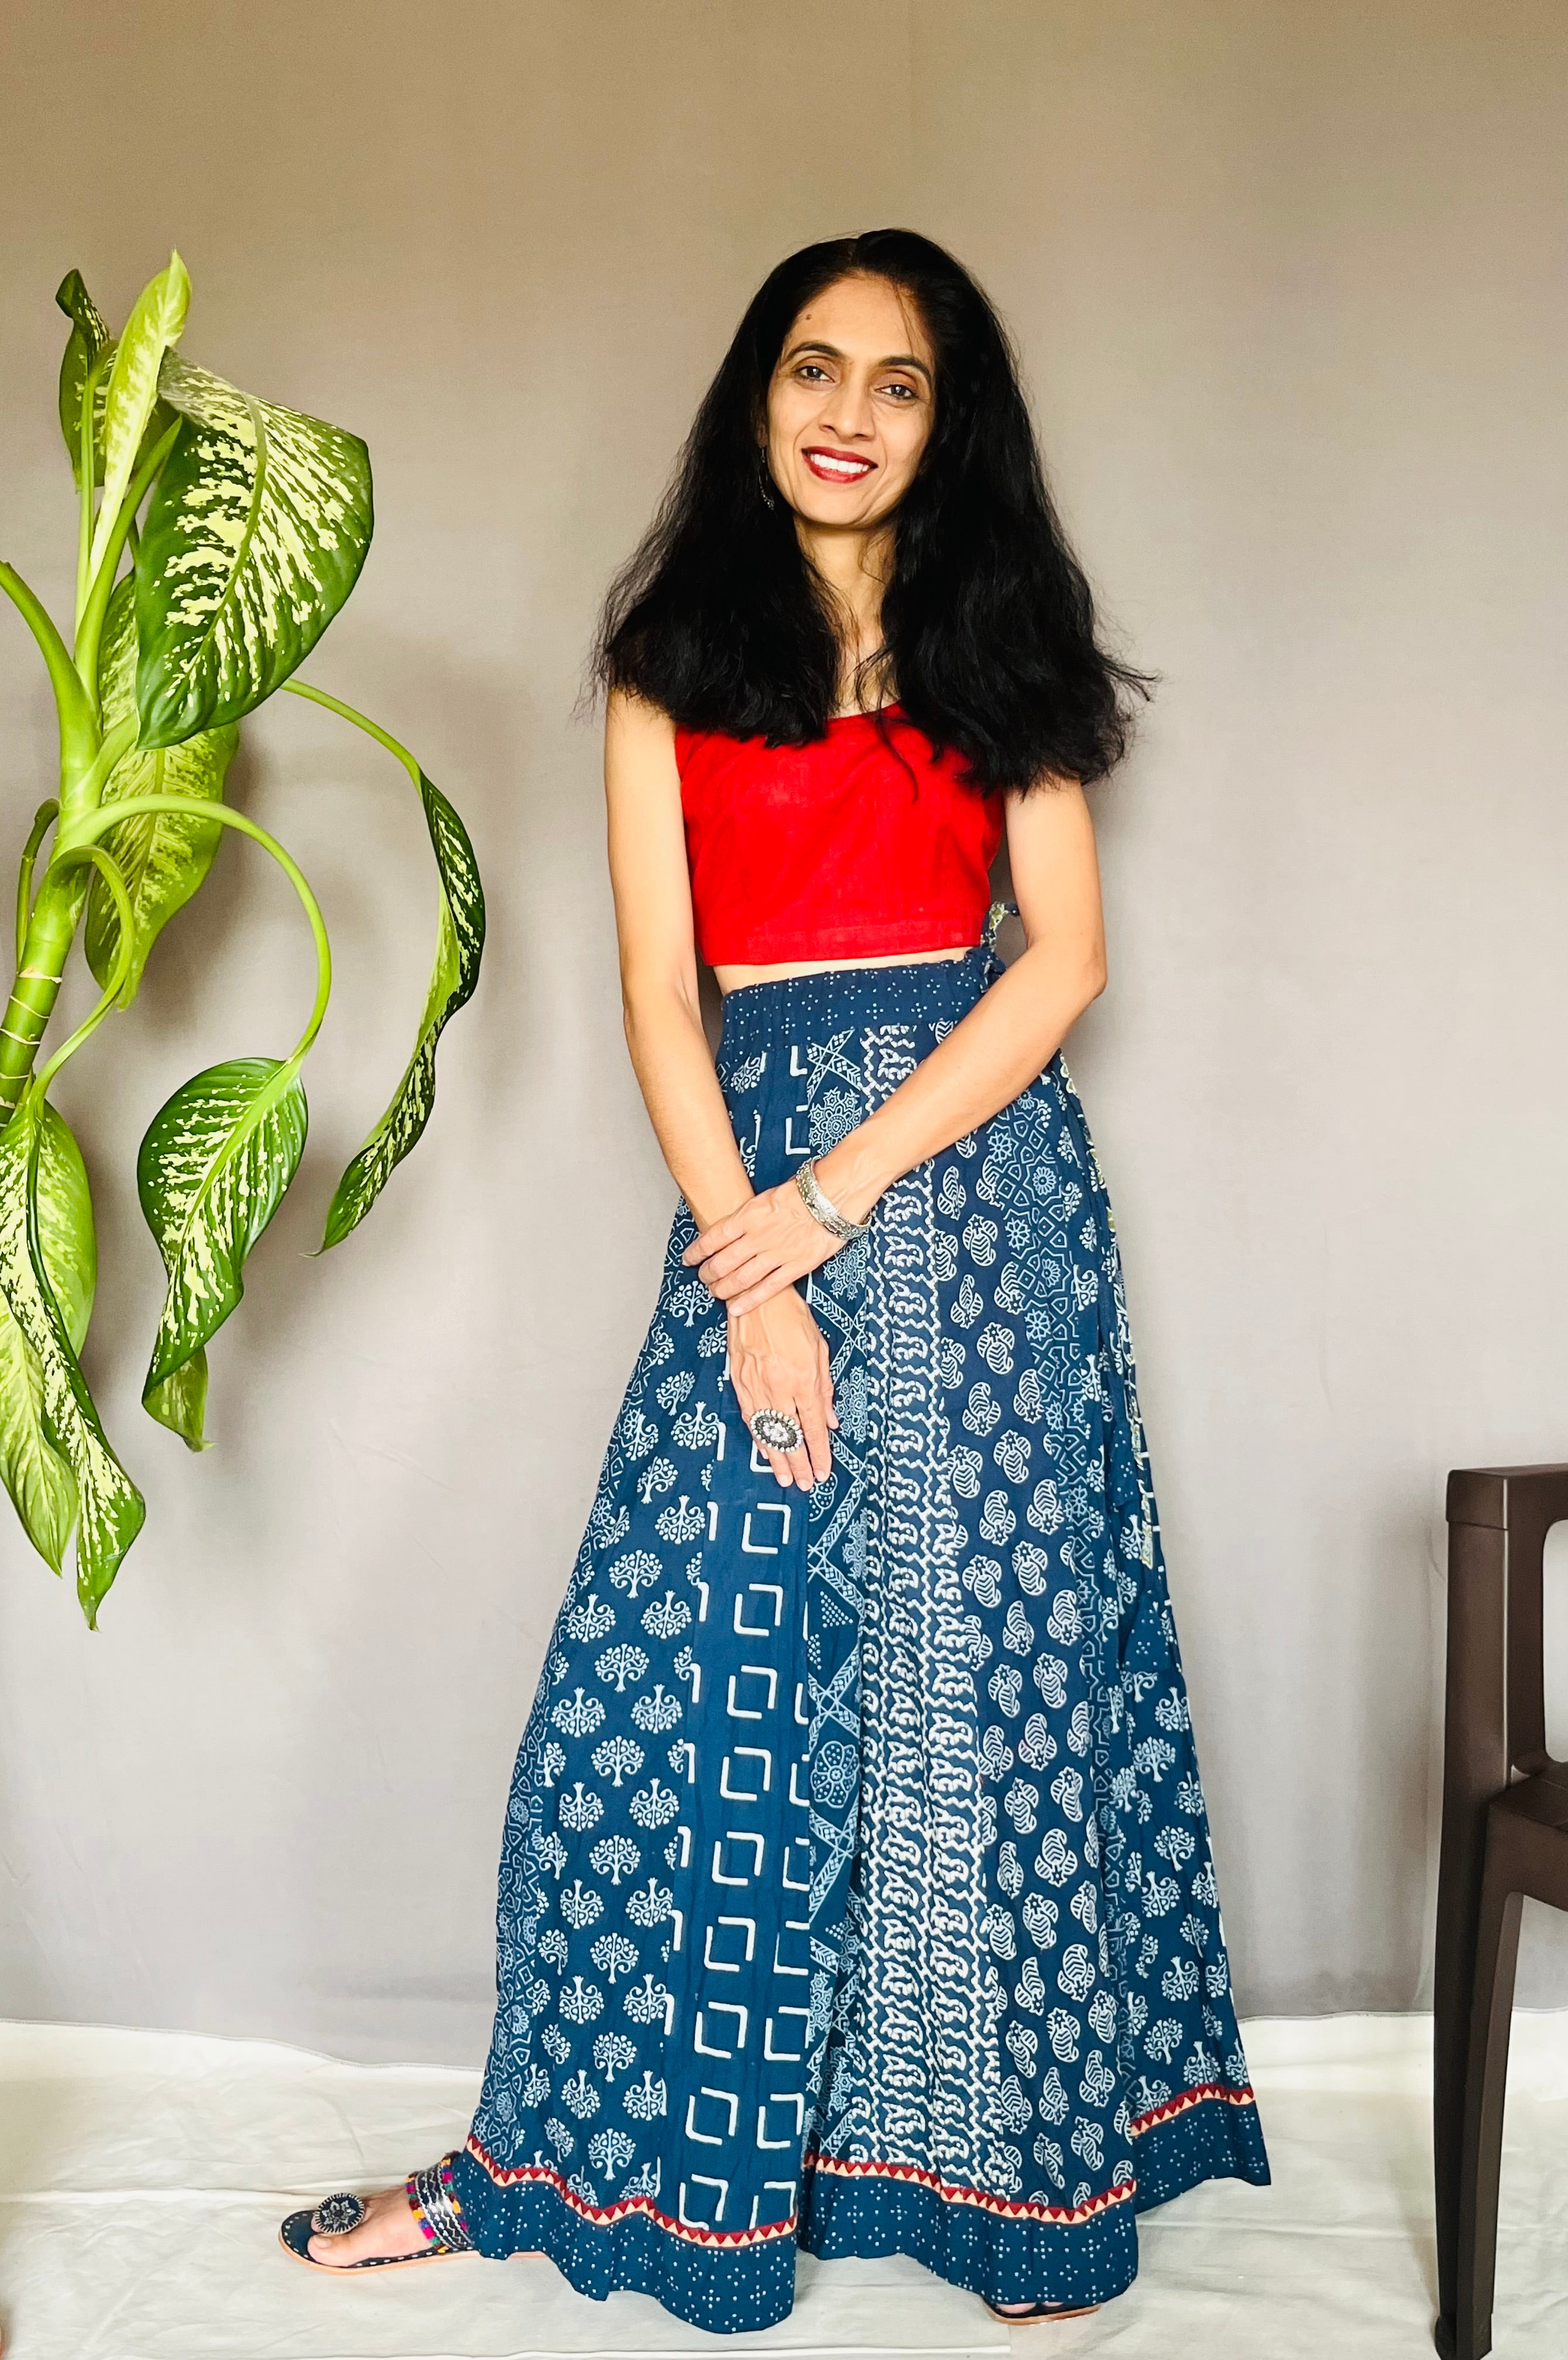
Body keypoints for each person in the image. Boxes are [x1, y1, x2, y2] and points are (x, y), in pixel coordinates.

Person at [281, 228, 1268, 2331]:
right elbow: (662, 989)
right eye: (815, 368)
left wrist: (838, 1194)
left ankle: (1014, 2191)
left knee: (988, 1683)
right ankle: (554, 2162)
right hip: (746, 1203)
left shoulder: (1002, 643)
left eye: (897, 384)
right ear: (758, 395)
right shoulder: (674, 657)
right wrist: (758, 1268)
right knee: (657, 1688)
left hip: (979, 1198)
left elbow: (1063, 967)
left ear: (945, 424)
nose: (847, 414)